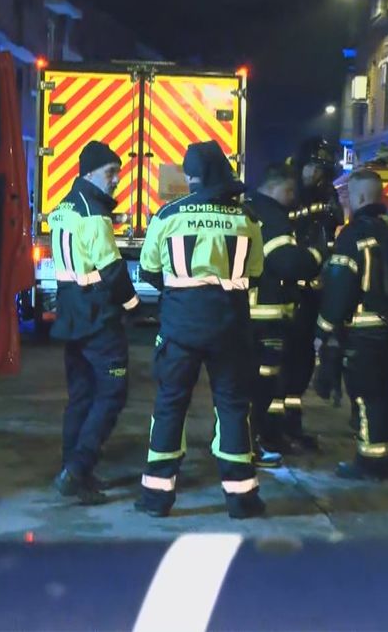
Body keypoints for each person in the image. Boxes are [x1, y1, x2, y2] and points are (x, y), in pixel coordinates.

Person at [135, 141, 267, 519]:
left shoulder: (168, 215)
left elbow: (149, 270)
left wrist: (181, 291)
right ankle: (242, 499)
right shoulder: (247, 219)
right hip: (230, 329)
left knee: (170, 405)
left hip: (180, 329)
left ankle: (156, 497)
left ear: (190, 177)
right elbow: (254, 273)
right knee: (231, 407)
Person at [48, 141, 140, 504]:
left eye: (117, 172)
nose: (116, 180)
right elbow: (113, 270)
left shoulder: (64, 208)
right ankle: (78, 469)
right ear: (89, 173)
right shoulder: (94, 213)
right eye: (110, 173)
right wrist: (134, 306)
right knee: (112, 393)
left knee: (81, 396)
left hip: (72, 314)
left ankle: (73, 469)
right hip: (98, 317)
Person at [317, 169, 388, 481]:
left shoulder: (352, 234)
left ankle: (370, 462)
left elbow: (340, 286)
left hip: (364, 330)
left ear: (358, 197)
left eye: (347, 196)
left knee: (365, 395)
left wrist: (325, 329)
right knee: (384, 393)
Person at [245, 163, 325, 463]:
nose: (291, 198)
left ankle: (262, 437)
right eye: (288, 191)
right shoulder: (273, 217)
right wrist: (317, 256)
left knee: (255, 383)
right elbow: (287, 262)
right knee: (263, 384)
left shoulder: (247, 209)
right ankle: (254, 441)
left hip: (245, 312)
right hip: (265, 315)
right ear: (275, 187)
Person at [282, 138, 343, 447]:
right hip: (288, 292)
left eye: (323, 170)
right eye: (315, 169)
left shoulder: (327, 196)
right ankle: (274, 429)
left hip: (312, 293)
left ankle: (291, 426)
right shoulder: (288, 196)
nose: (318, 176)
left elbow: (330, 236)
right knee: (282, 364)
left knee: (303, 363)